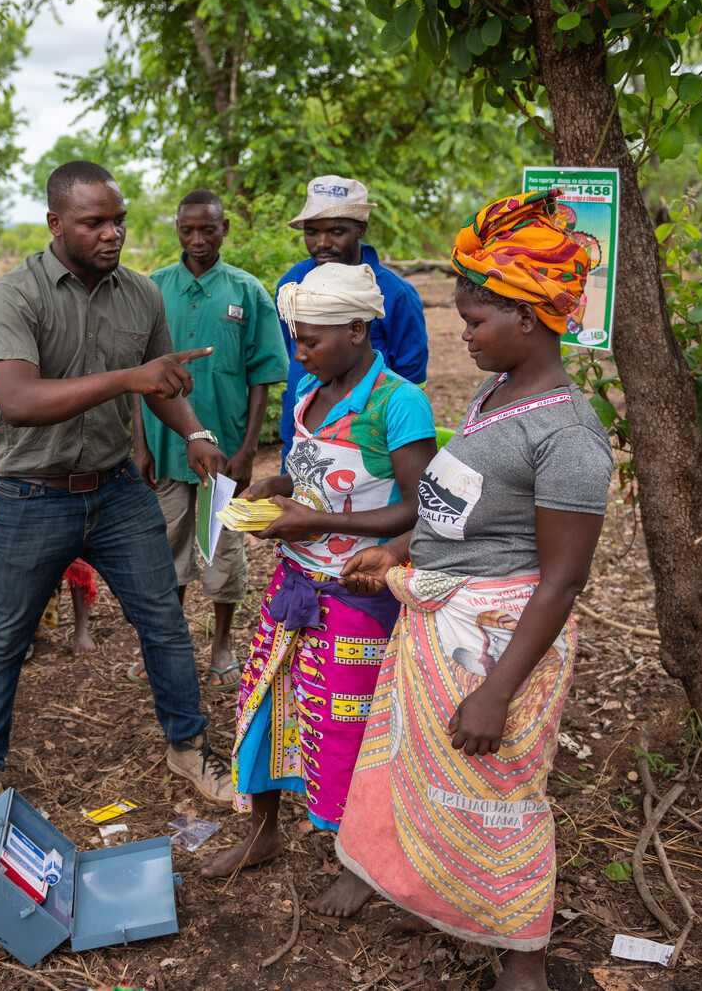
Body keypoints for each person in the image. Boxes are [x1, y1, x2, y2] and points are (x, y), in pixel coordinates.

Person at [334, 189, 612, 991]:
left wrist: (497, 690)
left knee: (502, 792)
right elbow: (460, 502)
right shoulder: (498, 393)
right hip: (445, 616)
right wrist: (398, 546)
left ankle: (522, 954)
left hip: (494, 642)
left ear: (529, 318)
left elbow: (562, 580)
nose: (465, 335)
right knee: (418, 769)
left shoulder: (568, 437)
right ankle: (422, 885)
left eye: (478, 321)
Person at [0, 160, 235, 838]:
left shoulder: (140, 295)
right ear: (54, 223)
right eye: (93, 222)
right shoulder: (15, 295)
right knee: (3, 637)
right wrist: (127, 377)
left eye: (118, 220)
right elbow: (18, 399)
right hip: (30, 494)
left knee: (162, 618)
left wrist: (195, 432)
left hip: (116, 489)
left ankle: (189, 748)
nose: (113, 234)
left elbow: (161, 382)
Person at [197, 262, 436, 916]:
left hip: (360, 592)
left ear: (359, 329)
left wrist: (317, 519)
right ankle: (265, 829)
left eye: (311, 339)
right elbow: (307, 473)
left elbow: (420, 507)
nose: (298, 351)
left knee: (346, 723)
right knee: (265, 701)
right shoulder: (309, 391)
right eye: (296, 338)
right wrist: (277, 491)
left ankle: (359, 859)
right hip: (297, 579)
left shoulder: (398, 401)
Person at [130, 189, 290, 689]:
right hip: (164, 444)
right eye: (187, 230)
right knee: (166, 547)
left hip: (225, 454)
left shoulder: (246, 291)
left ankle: (221, 643)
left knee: (223, 550)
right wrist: (141, 444)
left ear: (224, 229)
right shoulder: (153, 287)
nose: (197, 239)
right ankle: (169, 643)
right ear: (176, 230)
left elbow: (263, 375)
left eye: (208, 229)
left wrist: (247, 451)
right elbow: (137, 376)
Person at [276, 175, 429, 461]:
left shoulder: (395, 294)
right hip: (301, 426)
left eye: (335, 231)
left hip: (366, 442)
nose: (322, 243)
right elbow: (294, 348)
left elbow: (411, 376)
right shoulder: (292, 284)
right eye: (311, 232)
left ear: (361, 228)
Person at [0, 379, 98, 654]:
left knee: (70, 537)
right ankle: (13, 629)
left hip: (42, 468)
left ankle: (80, 628)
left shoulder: (35, 404)